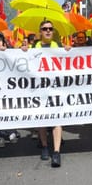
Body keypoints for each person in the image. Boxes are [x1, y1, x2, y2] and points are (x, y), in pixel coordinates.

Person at [21, 20, 67, 167]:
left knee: (57, 119)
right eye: (44, 29)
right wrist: (22, 51)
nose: (48, 31)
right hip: (39, 90)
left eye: (50, 29)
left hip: (55, 89)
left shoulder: (58, 46)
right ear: (40, 32)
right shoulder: (35, 46)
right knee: (42, 119)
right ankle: (45, 146)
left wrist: (69, 51)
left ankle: (57, 152)